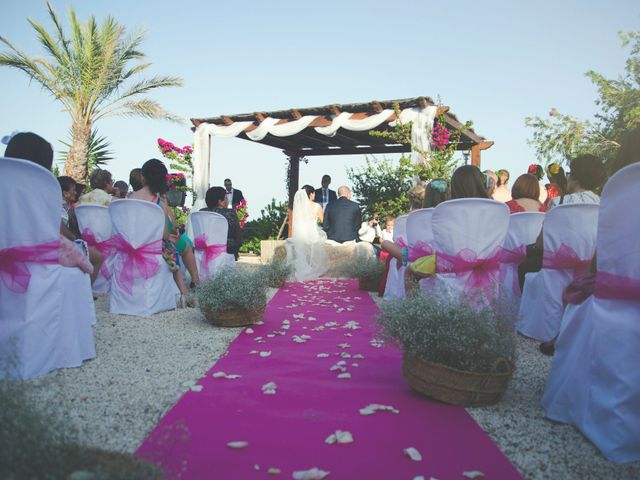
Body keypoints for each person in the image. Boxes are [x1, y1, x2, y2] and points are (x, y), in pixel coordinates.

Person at [4, 132, 99, 281]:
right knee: (93, 258)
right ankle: (85, 297)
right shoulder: (42, 191)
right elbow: (53, 229)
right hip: (38, 252)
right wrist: (74, 239)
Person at [129, 159, 195, 306]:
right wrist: (170, 237)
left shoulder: (129, 198)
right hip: (152, 246)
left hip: (131, 244)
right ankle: (185, 293)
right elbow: (164, 235)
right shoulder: (159, 202)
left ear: (142, 178)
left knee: (169, 245)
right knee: (171, 250)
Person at [284, 187, 328, 281]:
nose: (315, 195)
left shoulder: (299, 207)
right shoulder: (316, 206)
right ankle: (313, 269)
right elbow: (324, 221)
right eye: (314, 193)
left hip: (301, 233)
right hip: (312, 233)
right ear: (311, 194)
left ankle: (303, 269)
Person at [201, 186, 243, 260]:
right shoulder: (230, 213)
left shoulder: (201, 213)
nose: (227, 201)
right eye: (226, 198)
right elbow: (238, 238)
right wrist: (235, 255)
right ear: (220, 201)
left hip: (204, 254)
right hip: (226, 254)